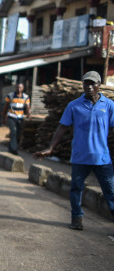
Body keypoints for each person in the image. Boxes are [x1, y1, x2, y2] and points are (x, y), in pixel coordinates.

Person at [34, 71, 114, 231]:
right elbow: (62, 127)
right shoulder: (74, 106)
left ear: (99, 85)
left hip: (102, 158)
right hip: (80, 157)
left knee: (111, 191)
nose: (89, 87)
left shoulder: (109, 105)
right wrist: (50, 148)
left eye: (92, 83)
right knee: (76, 189)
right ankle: (76, 218)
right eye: (86, 83)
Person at [1, 82, 32, 155]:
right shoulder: (10, 96)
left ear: (23, 88)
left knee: (17, 134)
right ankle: (14, 149)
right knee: (14, 131)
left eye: (20, 87)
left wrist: (29, 114)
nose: (18, 89)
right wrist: (3, 117)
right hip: (11, 117)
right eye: (17, 87)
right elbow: (5, 107)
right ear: (15, 88)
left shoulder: (26, 97)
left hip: (20, 118)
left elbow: (28, 107)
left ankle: (11, 148)